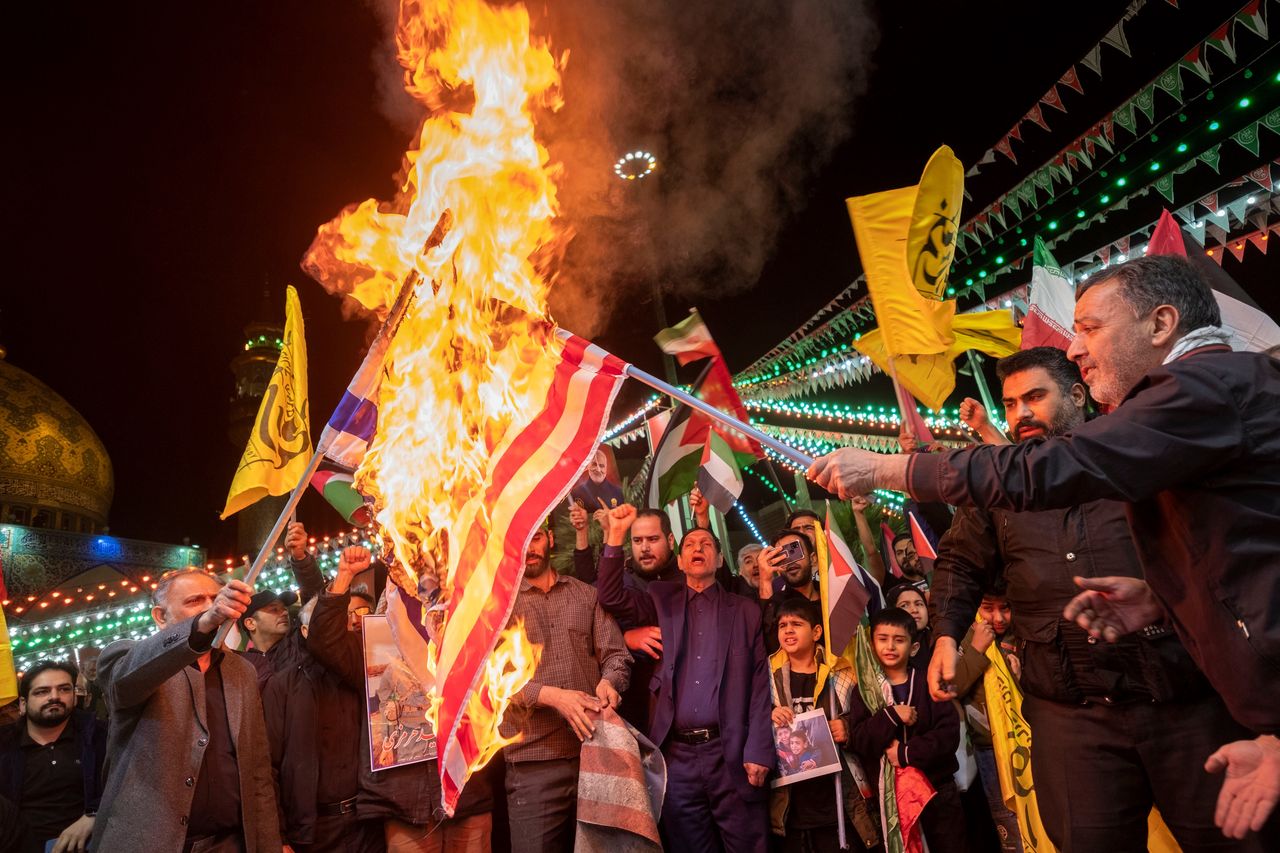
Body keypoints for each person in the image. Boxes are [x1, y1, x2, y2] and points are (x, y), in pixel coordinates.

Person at [809, 255, 1280, 839]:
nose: (1077, 350)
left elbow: (1059, 467)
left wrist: (889, 468)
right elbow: (1238, 555)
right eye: (1010, 404)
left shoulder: (1201, 390)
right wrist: (1161, 596)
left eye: (1090, 330)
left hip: (1185, 703)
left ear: (1161, 324)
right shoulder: (1203, 398)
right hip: (1070, 709)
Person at [927, 346, 1256, 851]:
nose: (1021, 415)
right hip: (1070, 720)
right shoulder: (998, 486)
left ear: (1078, 395)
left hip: (1184, 703)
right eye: (1010, 404)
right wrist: (946, 635)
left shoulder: (1142, 452)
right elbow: (959, 562)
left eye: (1034, 397)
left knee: (1233, 840)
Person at [597, 503, 774, 853]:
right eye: (690, 545)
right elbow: (610, 597)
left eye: (706, 544)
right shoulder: (661, 599)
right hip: (676, 757)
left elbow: (758, 686)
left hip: (732, 752)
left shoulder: (745, 611)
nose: (697, 549)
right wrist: (615, 536)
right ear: (679, 562)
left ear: (720, 562)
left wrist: (759, 749)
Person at [306, 545, 496, 852]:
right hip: (404, 798)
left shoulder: (463, 630)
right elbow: (322, 641)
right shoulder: (373, 641)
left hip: (467, 791)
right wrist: (343, 577)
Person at [93, 567, 281, 851]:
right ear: (160, 616)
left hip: (229, 843)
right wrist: (203, 624)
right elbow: (125, 682)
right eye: (195, 601)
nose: (211, 607)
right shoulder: (129, 657)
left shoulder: (242, 671)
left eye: (215, 598)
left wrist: (269, 845)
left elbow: (257, 770)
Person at [499, 519, 631, 853]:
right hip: (533, 765)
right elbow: (491, 680)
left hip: (593, 754)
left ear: (551, 540)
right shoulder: (497, 607)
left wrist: (609, 682)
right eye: (522, 541)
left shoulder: (585, 595)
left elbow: (617, 656)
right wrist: (551, 696)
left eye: (537, 537)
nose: (530, 548)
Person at [261, 594, 382, 852]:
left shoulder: (373, 677)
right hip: (314, 829)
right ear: (306, 631)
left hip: (369, 821)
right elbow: (266, 766)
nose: (345, 627)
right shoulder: (282, 686)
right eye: (331, 622)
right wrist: (278, 836)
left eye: (354, 617)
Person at [846, 607, 966, 853]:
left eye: (899, 640)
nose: (890, 646)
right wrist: (891, 715)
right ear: (871, 644)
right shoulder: (864, 691)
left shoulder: (927, 682)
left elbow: (948, 734)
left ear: (913, 647)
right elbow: (859, 739)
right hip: (890, 797)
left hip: (937, 790)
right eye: (882, 639)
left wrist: (906, 753)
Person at [768, 598, 880, 852]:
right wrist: (770, 714)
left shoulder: (841, 671)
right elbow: (750, 720)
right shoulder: (767, 675)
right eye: (782, 625)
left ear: (816, 631)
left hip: (841, 799)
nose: (788, 630)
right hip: (792, 806)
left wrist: (847, 727)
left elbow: (871, 716)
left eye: (797, 623)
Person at [0, 661, 107, 853]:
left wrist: (94, 815)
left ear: (75, 697)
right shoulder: (5, 746)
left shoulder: (99, 737)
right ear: (23, 704)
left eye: (64, 689)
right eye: (42, 691)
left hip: (92, 843)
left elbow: (125, 784)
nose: (55, 697)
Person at [948, 586, 1021, 853]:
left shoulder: (1024, 634)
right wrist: (977, 650)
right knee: (1006, 817)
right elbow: (952, 685)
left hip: (1026, 740)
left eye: (1005, 608)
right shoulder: (964, 636)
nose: (998, 617)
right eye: (988, 608)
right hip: (989, 746)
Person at [757, 529, 821, 654]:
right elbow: (768, 646)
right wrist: (765, 580)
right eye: (782, 556)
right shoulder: (775, 604)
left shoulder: (833, 596)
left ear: (813, 559)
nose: (790, 562)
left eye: (794, 551)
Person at [239, 589, 298, 684]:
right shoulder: (242, 667)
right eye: (274, 609)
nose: (285, 613)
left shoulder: (300, 648)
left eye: (285, 608)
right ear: (250, 623)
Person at [884, 584, 932, 672]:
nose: (914, 610)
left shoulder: (943, 639)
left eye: (919, 604)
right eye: (904, 605)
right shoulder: (886, 648)